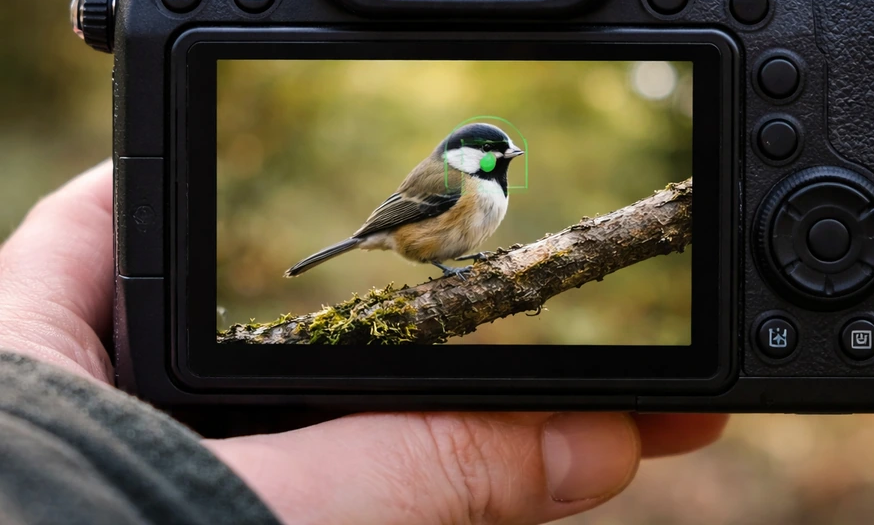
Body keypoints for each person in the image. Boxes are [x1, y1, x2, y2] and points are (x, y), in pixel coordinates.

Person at [0, 161, 728, 525]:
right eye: (494, 153)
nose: (502, 161)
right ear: (471, 159)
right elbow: (403, 224)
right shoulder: (452, 182)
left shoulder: (483, 190)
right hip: (410, 246)